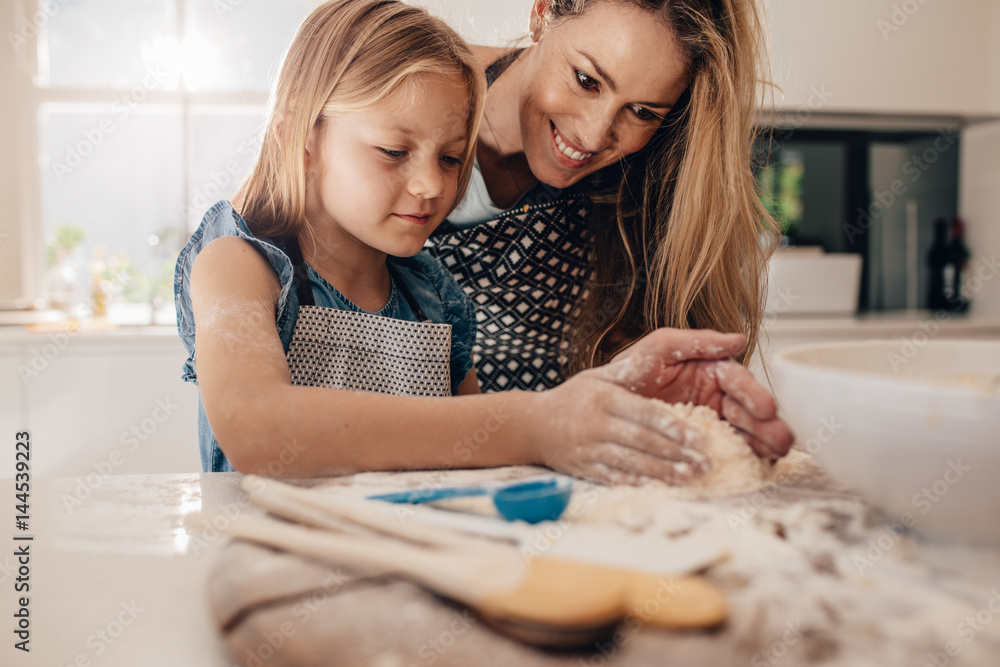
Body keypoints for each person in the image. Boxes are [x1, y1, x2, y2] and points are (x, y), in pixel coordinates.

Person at [175, 0, 793, 484]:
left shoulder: (432, 293)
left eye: (451, 159)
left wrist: (624, 406)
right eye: (585, 78)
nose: (429, 186)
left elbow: (478, 462)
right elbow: (256, 429)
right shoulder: (246, 260)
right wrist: (536, 423)